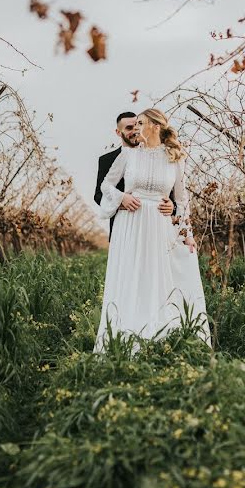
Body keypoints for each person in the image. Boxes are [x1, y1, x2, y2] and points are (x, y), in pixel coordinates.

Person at [93, 108, 211, 354]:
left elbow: (182, 198)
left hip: (159, 224)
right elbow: (106, 184)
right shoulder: (128, 155)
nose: (136, 128)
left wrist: (184, 227)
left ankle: (160, 340)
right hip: (130, 224)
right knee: (133, 276)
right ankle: (126, 339)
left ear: (155, 126)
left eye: (140, 123)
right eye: (133, 125)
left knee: (157, 278)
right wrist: (122, 197)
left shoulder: (175, 158)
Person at [94, 112, 174, 237]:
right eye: (129, 128)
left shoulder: (163, 156)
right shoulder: (107, 160)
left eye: (137, 125)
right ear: (118, 132)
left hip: (157, 224)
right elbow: (99, 194)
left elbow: (169, 191)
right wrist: (122, 200)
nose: (134, 130)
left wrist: (171, 205)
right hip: (124, 226)